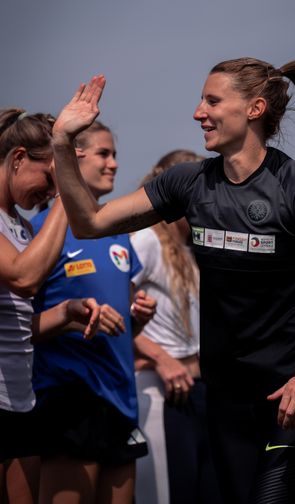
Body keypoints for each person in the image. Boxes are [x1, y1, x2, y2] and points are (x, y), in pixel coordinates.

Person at [51, 60, 295, 504]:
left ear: (255, 108)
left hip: (294, 399)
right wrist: (62, 141)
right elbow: (89, 222)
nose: (197, 112)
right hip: (226, 403)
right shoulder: (188, 184)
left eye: (212, 101)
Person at [31, 120, 156, 504]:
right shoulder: (38, 232)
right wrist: (70, 315)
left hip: (121, 396)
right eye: (104, 153)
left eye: (115, 154)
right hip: (69, 397)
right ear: (72, 156)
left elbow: (121, 329)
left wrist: (136, 319)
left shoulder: (115, 232)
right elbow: (18, 326)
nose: (114, 164)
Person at [0, 108, 100, 504]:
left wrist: (66, 314)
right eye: (49, 175)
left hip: (21, 401)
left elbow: (17, 326)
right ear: (19, 157)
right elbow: (24, 278)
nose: (48, 189)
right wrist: (65, 193)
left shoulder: (21, 227)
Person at [131, 149, 221, 504]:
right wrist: (160, 359)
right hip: (162, 392)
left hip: (199, 391)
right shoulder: (146, 239)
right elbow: (114, 310)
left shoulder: (193, 247)